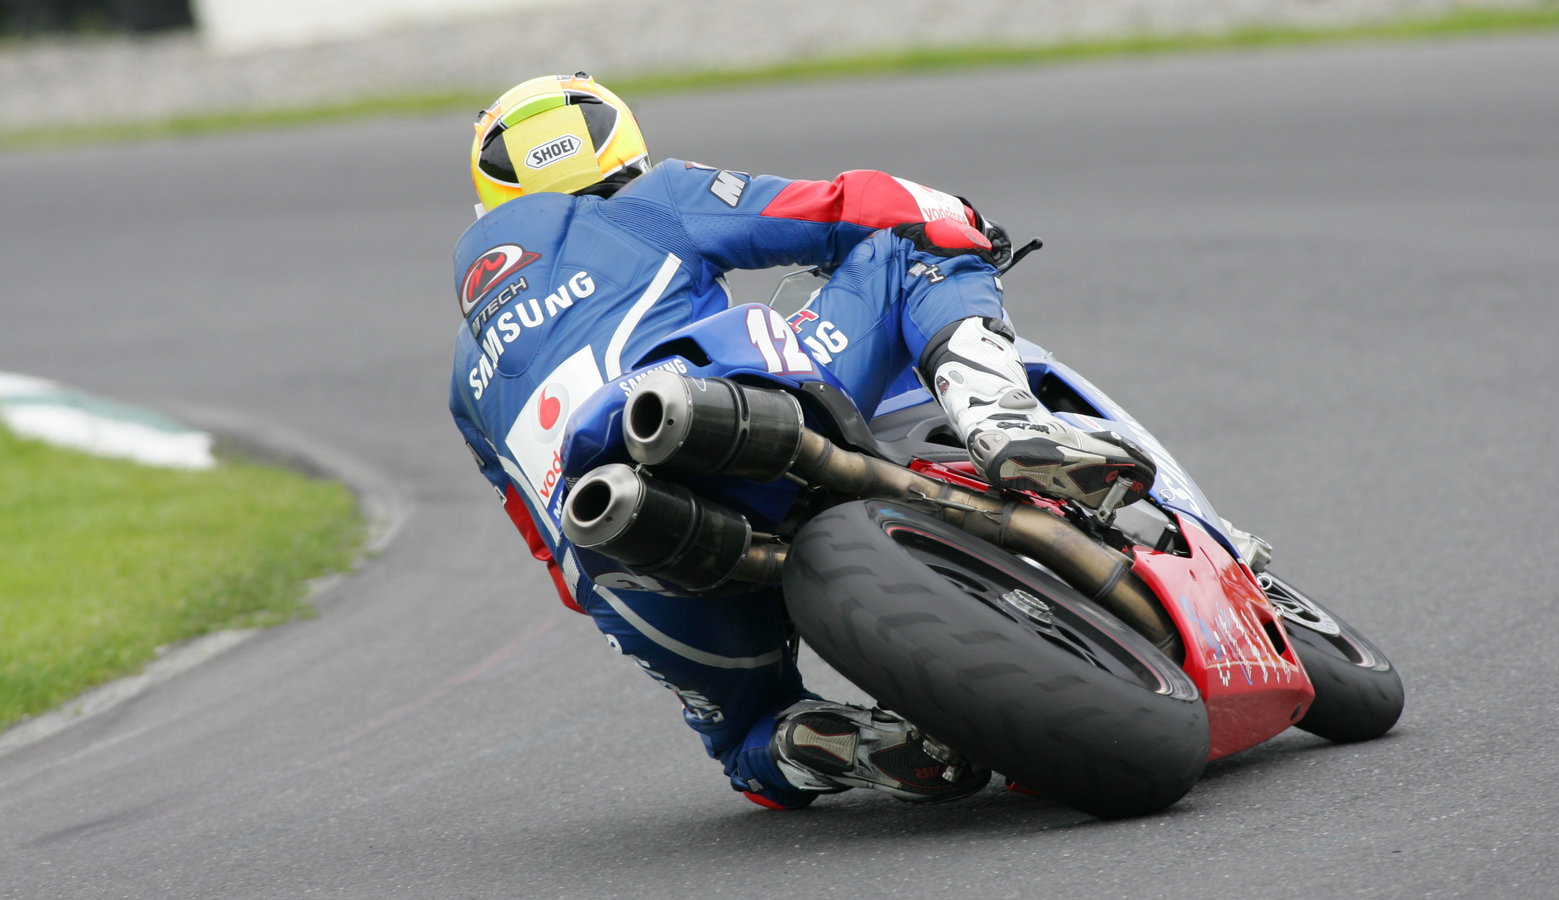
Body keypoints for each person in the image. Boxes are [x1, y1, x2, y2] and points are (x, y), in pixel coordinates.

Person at [448, 73, 1162, 809]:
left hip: (628, 559)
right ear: (619, 148)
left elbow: (544, 549)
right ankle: (1004, 422)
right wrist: (961, 219)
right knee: (910, 245)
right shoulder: (651, 203)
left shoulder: (465, 381)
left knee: (746, 736)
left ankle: (816, 743)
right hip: (730, 418)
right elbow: (847, 208)